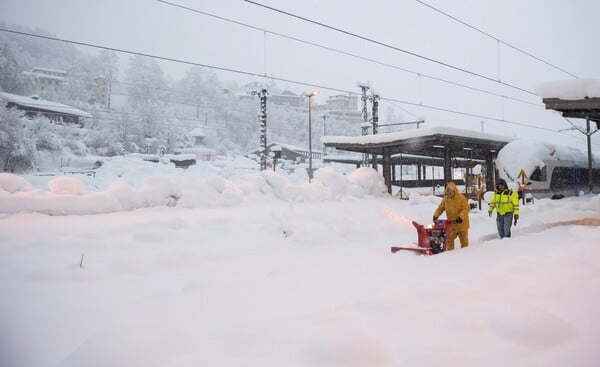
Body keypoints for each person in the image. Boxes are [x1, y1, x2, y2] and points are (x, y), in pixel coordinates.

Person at [432, 181, 470, 250]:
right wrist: (436, 215)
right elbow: (440, 208)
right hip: (451, 224)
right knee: (449, 240)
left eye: (451, 191)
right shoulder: (446, 199)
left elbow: (465, 209)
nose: (449, 192)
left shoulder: (461, 198)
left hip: (462, 225)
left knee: (464, 243)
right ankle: (450, 255)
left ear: (455, 190)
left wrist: (460, 217)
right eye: (448, 191)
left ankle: (465, 256)